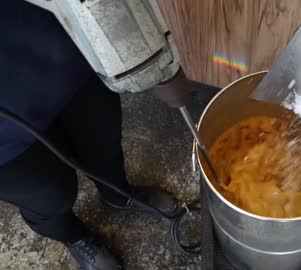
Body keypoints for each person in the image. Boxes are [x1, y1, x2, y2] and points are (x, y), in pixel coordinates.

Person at [0, 2, 180, 269]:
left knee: (101, 136)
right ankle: (73, 236)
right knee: (50, 194)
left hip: (48, 38)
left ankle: (117, 195)